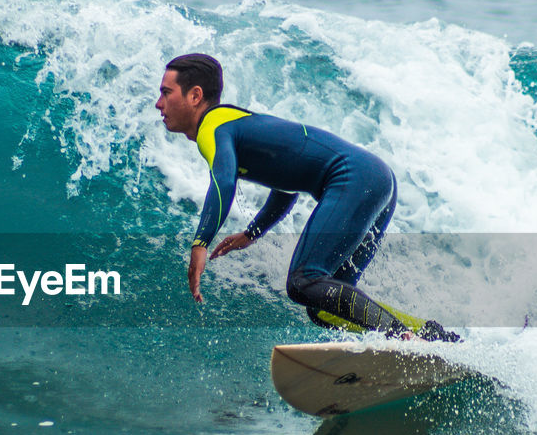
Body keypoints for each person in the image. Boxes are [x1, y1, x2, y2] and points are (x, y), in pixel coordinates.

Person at [156, 53, 458, 341]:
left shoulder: (214, 125)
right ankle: (426, 335)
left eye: (166, 93)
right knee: (324, 306)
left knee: (304, 280)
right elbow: (286, 185)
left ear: (195, 96)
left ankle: (400, 337)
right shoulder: (237, 126)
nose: (159, 104)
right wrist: (253, 232)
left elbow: (223, 181)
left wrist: (200, 243)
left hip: (355, 177)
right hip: (375, 180)